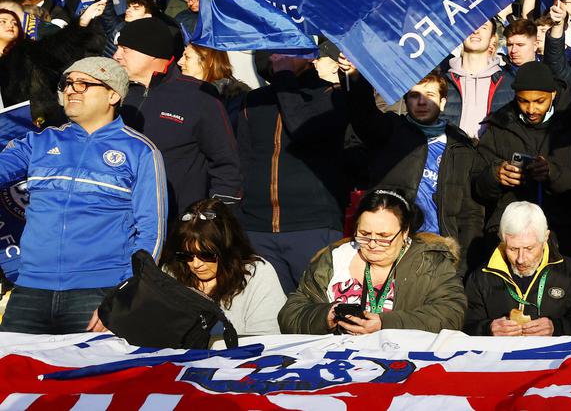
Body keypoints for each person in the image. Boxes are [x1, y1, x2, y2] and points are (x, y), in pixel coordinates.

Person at [0, 58, 166, 334]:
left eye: (83, 83)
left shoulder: (140, 151)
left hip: (99, 293)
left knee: (91, 378)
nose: (71, 90)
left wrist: (126, 293)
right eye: (67, 83)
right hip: (30, 289)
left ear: (113, 95)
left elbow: (152, 232)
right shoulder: (40, 141)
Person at [236, 52, 353, 292]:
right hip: (257, 226)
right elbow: (242, 160)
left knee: (316, 309)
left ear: (308, 56)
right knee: (267, 316)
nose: (277, 56)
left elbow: (301, 127)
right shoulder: (253, 100)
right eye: (273, 50)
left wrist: (285, 76)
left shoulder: (332, 95)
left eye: (288, 52)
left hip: (312, 223)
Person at [278, 188, 466, 334]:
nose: (373, 244)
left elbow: (451, 313)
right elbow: (290, 313)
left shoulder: (429, 262)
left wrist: (386, 324)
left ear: (405, 232)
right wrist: (325, 316)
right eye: (364, 234)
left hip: (403, 363)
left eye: (384, 236)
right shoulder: (335, 258)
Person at [358, 72, 485, 278]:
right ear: (406, 101)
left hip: (441, 249)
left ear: (443, 102)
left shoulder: (460, 145)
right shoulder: (391, 131)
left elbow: (470, 213)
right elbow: (362, 115)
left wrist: (465, 264)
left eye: (430, 95)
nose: (422, 102)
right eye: (415, 95)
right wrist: (356, 78)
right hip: (392, 245)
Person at [115, 16, 241, 216]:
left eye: (125, 50)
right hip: (120, 218)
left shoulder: (198, 95)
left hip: (178, 222)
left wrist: (212, 216)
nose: (116, 56)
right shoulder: (116, 94)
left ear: (152, 53)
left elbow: (226, 163)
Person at [472, 62, 571, 261]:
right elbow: (477, 185)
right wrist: (495, 174)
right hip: (511, 233)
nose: (531, 109)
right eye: (523, 101)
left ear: (553, 95)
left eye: (539, 101)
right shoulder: (499, 126)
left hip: (564, 233)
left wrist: (552, 173)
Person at [160, 198, 287, 339]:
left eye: (206, 255)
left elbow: (267, 339)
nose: (196, 264)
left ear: (227, 249)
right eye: (186, 255)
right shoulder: (171, 273)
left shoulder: (256, 274)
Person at [463, 202, 571, 336]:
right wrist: (487, 329)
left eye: (529, 248)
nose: (520, 259)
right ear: (501, 239)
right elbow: (464, 329)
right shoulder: (481, 278)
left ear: (545, 237)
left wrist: (557, 328)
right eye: (513, 249)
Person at [444, 18, 515, 139]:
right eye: (469, 25)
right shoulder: (443, 82)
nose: (476, 31)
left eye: (483, 27)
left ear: (492, 39)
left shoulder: (509, 82)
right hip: (450, 154)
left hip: (491, 155)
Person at [179, 43, 251, 107]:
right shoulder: (184, 91)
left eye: (187, 57)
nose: (179, 62)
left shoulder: (233, 101)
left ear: (208, 61)